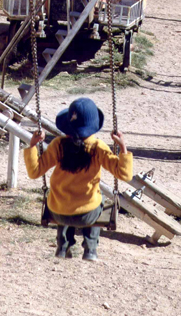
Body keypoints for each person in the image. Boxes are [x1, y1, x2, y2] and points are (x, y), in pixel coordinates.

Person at [24, 97, 133, 261]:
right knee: (98, 199)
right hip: (87, 215)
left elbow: (34, 172)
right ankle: (90, 249)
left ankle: (63, 246)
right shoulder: (97, 147)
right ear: (93, 126)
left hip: (57, 213)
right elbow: (124, 175)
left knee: (62, 199)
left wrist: (33, 145)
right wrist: (122, 147)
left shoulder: (58, 144)